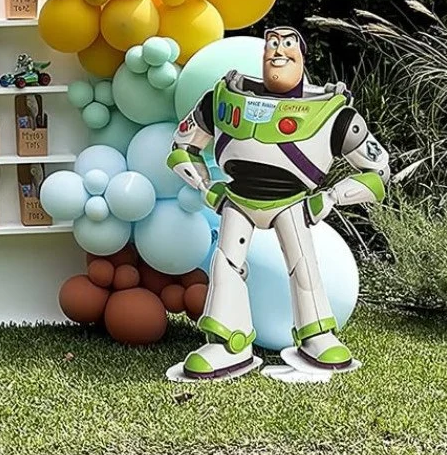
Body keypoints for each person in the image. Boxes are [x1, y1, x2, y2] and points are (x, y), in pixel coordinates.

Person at [167, 25, 390, 381]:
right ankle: (229, 342)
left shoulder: (333, 113)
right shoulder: (222, 99)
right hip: (238, 199)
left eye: (288, 45)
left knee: (304, 265)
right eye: (272, 44)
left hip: (294, 204)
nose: (277, 51)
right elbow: (182, 148)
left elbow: (378, 170)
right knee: (226, 266)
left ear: (302, 57)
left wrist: (330, 198)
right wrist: (206, 187)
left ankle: (317, 335)